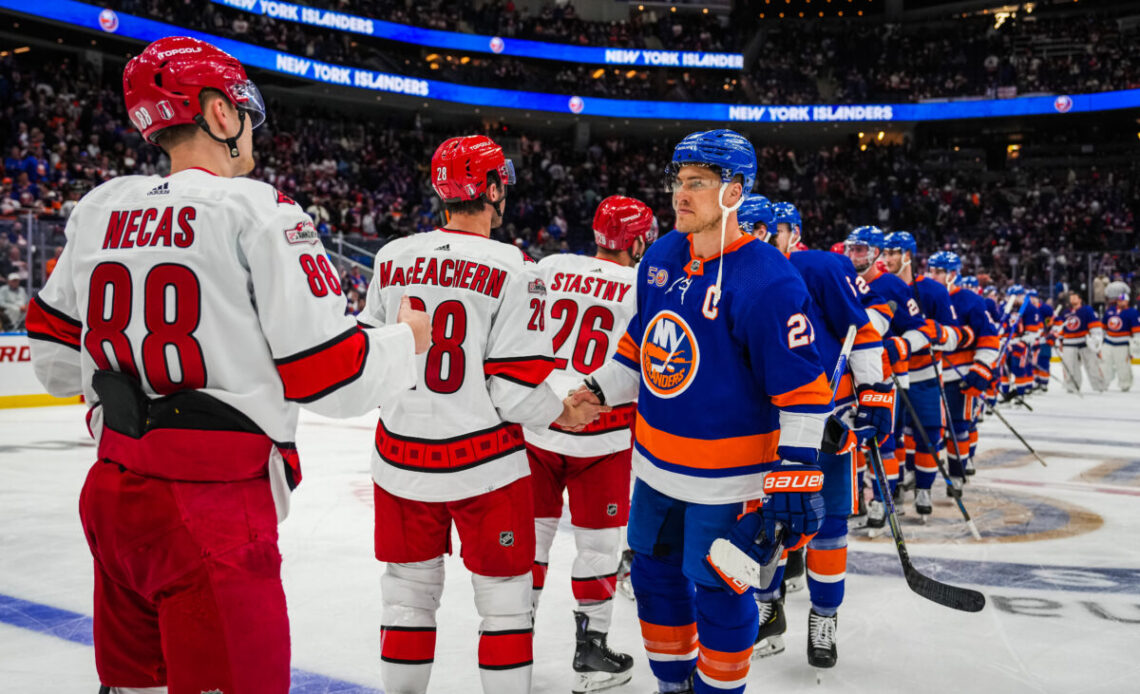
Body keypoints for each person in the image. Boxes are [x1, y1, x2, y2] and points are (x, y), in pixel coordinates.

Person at [24, 36, 430, 694]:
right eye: (243, 110)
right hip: (212, 508)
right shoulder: (261, 212)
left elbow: (53, 365)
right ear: (219, 113)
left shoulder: (98, 208)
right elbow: (331, 376)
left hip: (112, 493)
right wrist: (405, 339)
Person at [575, 130, 831, 694]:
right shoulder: (663, 254)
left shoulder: (769, 279)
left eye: (698, 183)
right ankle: (673, 686)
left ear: (735, 193)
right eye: (678, 181)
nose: (680, 195)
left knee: (717, 594)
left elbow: (806, 390)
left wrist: (796, 470)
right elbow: (641, 348)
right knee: (654, 581)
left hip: (729, 481)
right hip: (655, 472)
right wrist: (595, 392)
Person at [360, 134, 606, 694]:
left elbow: (373, 361)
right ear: (493, 188)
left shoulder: (391, 255)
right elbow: (512, 392)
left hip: (400, 457)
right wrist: (559, 412)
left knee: (406, 596)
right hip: (485, 463)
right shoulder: (517, 269)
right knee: (505, 606)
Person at [524, 194, 656, 694]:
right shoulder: (644, 284)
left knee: (532, 542)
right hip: (603, 428)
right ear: (639, 240)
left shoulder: (553, 264)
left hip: (541, 420)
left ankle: (514, 640)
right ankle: (590, 648)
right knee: (598, 547)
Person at [751, 202, 889, 669]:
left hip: (827, 418)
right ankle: (768, 607)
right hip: (763, 422)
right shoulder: (733, 269)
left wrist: (872, 391)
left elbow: (862, 331)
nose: (760, 235)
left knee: (828, 526)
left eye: (770, 228)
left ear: (793, 232)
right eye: (749, 226)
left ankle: (824, 616)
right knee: (763, 521)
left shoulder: (821, 265)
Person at [844, 226, 928, 526]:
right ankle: (855, 498)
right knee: (849, 443)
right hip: (846, 381)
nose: (854, 256)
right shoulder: (842, 280)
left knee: (883, 442)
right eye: (851, 249)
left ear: (875, 252)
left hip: (882, 378)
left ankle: (883, 500)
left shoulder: (891, 285)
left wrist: (900, 345)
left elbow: (921, 329)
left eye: (861, 249)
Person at [881, 232, 961, 515]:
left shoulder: (933, 291)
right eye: (885, 252)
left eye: (893, 253)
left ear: (908, 255)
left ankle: (924, 489)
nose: (887, 258)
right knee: (890, 437)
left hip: (925, 376)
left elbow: (954, 336)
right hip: (889, 376)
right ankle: (894, 488)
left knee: (928, 434)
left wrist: (932, 334)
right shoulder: (878, 286)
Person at [927, 252, 999, 483]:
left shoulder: (970, 300)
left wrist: (981, 368)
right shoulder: (926, 296)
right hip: (928, 374)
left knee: (958, 426)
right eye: (932, 270)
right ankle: (917, 474)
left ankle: (957, 473)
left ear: (953, 274)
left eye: (939, 271)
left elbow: (988, 336)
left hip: (959, 374)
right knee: (924, 428)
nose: (933, 275)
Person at [1059, 291, 1106, 393]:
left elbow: (1095, 325)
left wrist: (1096, 339)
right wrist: (1060, 342)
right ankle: (1072, 386)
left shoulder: (1087, 310)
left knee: (1092, 365)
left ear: (1080, 299)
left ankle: (1099, 386)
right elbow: (1061, 329)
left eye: (1075, 297)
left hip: (1084, 342)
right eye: (1071, 297)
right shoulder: (1066, 312)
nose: (1072, 299)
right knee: (1070, 366)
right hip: (1069, 343)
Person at [1100, 281, 1139, 391]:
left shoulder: (1132, 312)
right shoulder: (1110, 310)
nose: (1121, 302)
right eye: (1120, 300)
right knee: (1104, 364)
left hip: (1123, 344)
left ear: (1127, 301)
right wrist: (1100, 338)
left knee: (1123, 366)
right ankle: (1104, 382)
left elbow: (1136, 330)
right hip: (1108, 342)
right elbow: (1103, 326)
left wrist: (1136, 341)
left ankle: (1125, 384)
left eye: (1124, 300)